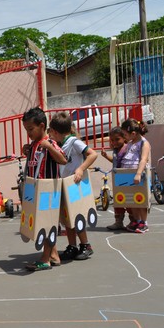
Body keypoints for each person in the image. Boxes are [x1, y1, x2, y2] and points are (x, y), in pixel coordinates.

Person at [20, 107, 67, 271]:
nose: (29, 133)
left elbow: (63, 160)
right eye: (26, 130)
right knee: (43, 224)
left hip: (49, 193)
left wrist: (49, 147)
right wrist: (26, 151)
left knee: (47, 225)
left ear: (41, 126)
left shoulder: (50, 143)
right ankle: (54, 255)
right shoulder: (33, 145)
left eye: (31, 129)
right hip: (35, 192)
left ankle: (45, 259)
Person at [48, 112, 97, 261]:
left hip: (74, 184)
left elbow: (93, 154)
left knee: (77, 216)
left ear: (55, 132)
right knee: (67, 217)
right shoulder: (58, 144)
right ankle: (72, 246)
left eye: (50, 132)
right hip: (64, 184)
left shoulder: (74, 142)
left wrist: (81, 169)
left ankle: (85, 245)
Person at [119, 118, 151, 233]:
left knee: (141, 199)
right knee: (132, 199)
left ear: (133, 133)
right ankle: (136, 220)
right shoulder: (130, 143)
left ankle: (144, 222)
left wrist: (138, 173)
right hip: (128, 175)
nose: (124, 137)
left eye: (125, 134)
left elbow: (143, 159)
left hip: (138, 176)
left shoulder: (144, 143)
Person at [100, 127, 135, 230]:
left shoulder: (127, 148)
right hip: (117, 178)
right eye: (112, 140)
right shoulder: (115, 150)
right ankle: (118, 221)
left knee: (128, 200)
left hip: (126, 178)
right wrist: (106, 156)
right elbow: (115, 161)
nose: (114, 142)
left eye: (117, 139)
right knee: (118, 200)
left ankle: (133, 221)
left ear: (124, 138)